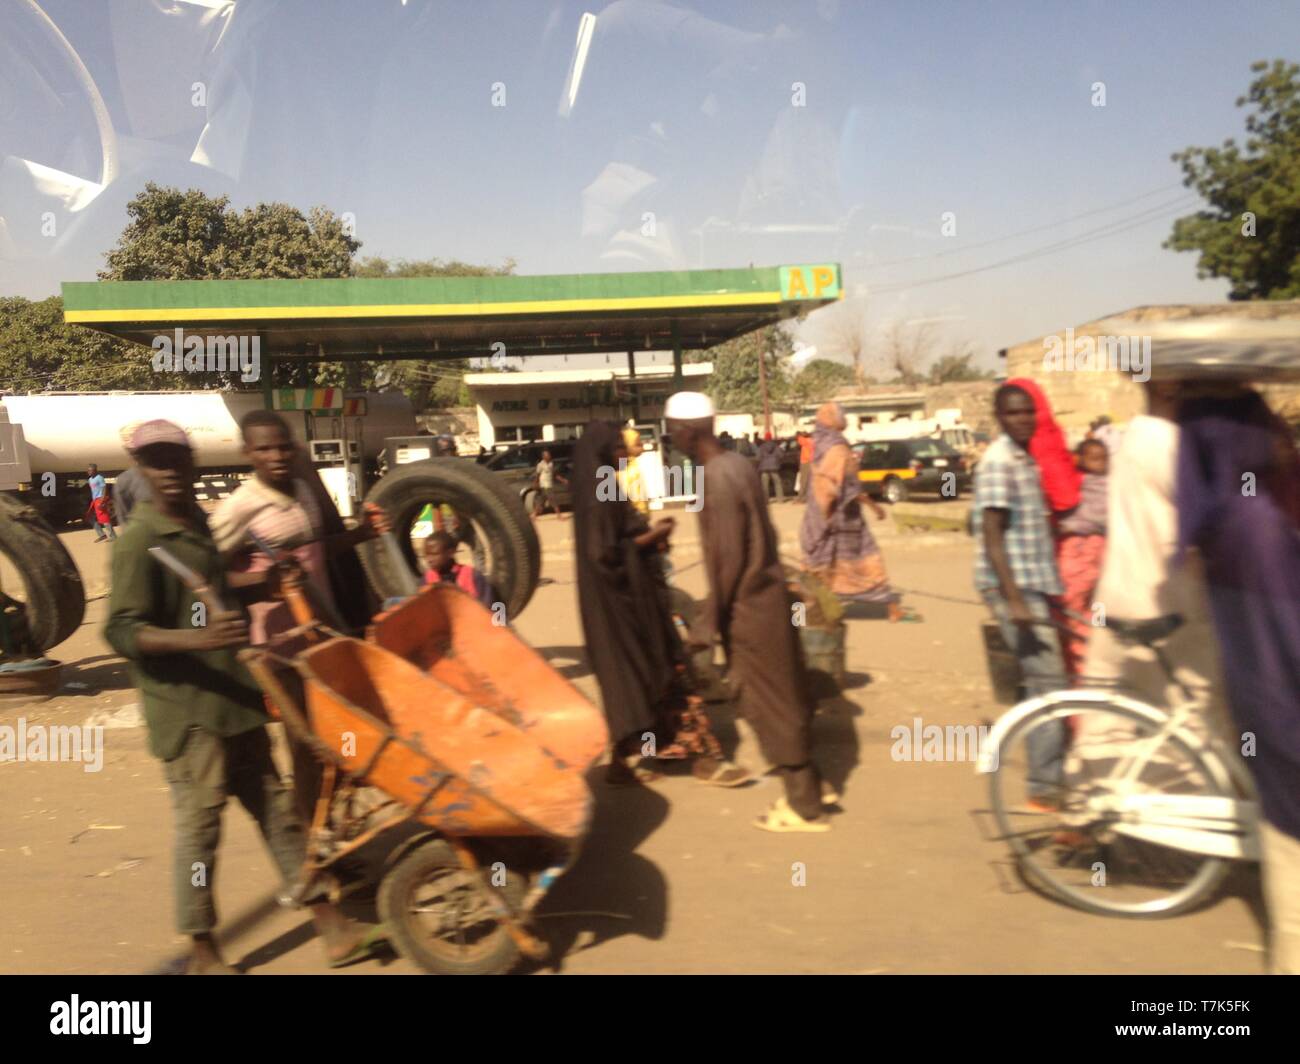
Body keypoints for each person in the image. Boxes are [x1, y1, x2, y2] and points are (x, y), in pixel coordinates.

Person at [103, 420, 384, 974]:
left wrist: (268, 585)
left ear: (191, 461)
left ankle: (333, 929)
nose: (168, 469)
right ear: (140, 468)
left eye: (176, 458)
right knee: (200, 836)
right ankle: (204, 953)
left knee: (280, 816)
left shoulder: (199, 525)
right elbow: (119, 630)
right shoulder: (141, 541)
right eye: (155, 461)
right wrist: (196, 637)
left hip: (235, 699)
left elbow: (222, 587)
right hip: (188, 717)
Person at [667, 392, 834, 832]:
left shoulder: (713, 479)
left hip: (748, 606)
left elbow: (727, 559)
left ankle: (803, 806)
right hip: (768, 595)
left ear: (686, 430)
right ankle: (815, 783)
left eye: (670, 429)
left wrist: (707, 621)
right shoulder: (737, 464)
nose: (669, 438)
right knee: (784, 691)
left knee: (764, 701)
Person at [1176, 387, 1300, 975]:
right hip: (1284, 710)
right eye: (1265, 422)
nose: (1281, 431)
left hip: (1267, 702)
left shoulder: (1233, 510)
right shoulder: (1257, 523)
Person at [572, 420, 747, 787]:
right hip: (629, 607)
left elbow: (614, 541)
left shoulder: (599, 483)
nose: (625, 454)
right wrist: (655, 534)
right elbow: (603, 553)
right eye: (619, 447)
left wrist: (649, 539)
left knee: (636, 683)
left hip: (624, 606)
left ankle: (628, 761)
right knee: (667, 673)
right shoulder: (600, 487)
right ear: (604, 452)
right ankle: (704, 759)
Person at [211, 410, 388, 645]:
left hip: (321, 626)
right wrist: (266, 578)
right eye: (264, 449)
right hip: (276, 641)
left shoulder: (304, 492)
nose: (277, 456)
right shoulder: (238, 508)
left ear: (294, 449)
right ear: (247, 452)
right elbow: (208, 575)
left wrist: (363, 533)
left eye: (283, 447)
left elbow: (315, 551)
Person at [973, 384, 1065, 809]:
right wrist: (1013, 600)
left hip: (1034, 581)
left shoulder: (1023, 458)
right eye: (1014, 414)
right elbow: (991, 534)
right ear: (999, 417)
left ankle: (1038, 763)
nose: (1023, 419)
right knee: (1051, 684)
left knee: (1038, 680)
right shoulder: (998, 462)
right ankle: (1045, 786)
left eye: (1028, 412)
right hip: (1016, 586)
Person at [800, 402, 907, 621]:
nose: (845, 418)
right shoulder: (838, 449)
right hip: (844, 520)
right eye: (842, 415)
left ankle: (800, 617)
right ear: (834, 420)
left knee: (814, 568)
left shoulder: (819, 444)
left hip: (819, 517)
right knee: (865, 564)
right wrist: (875, 507)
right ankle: (892, 608)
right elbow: (849, 487)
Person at [1053, 438, 1108, 677]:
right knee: (1077, 609)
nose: (1101, 464)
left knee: (1093, 609)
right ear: (1082, 460)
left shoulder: (1109, 484)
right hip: (1085, 549)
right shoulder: (1078, 483)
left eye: (1104, 459)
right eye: (1095, 459)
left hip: (1094, 551)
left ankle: (1090, 653)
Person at [422, 530, 493, 607]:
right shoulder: (427, 579)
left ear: (450, 553)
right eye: (427, 555)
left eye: (434, 554)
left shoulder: (473, 576)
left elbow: (488, 609)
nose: (429, 559)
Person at [618, 426, 649, 515]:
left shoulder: (630, 466)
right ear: (628, 446)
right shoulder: (628, 471)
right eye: (637, 444)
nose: (642, 446)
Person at [532, 449, 567, 520]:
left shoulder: (551, 463)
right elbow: (537, 475)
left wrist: (563, 480)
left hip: (549, 484)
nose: (549, 456)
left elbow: (554, 474)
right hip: (545, 485)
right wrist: (535, 483)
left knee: (541, 501)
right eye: (547, 455)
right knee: (553, 500)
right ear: (543, 457)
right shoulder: (540, 465)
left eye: (549, 455)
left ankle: (534, 515)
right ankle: (559, 516)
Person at [85, 463, 116, 541]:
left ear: (95, 471)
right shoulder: (90, 480)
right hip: (94, 500)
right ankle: (102, 534)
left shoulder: (99, 478)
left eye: (91, 470)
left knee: (104, 518)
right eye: (88, 470)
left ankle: (113, 536)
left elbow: (104, 489)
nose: (89, 472)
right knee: (90, 517)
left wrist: (102, 501)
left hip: (100, 499)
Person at [756, 431, 784, 503]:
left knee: (765, 485)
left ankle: (766, 500)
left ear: (765, 438)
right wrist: (777, 461)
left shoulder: (762, 447)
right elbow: (781, 455)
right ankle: (780, 499)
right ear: (771, 438)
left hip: (764, 468)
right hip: (774, 467)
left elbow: (758, 457)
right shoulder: (776, 446)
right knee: (777, 483)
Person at [795, 430, 814, 501]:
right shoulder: (813, 441)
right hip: (811, 462)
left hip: (806, 462)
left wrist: (799, 435)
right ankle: (808, 497)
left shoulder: (807, 441)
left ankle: (800, 497)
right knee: (809, 481)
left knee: (803, 480)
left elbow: (800, 440)